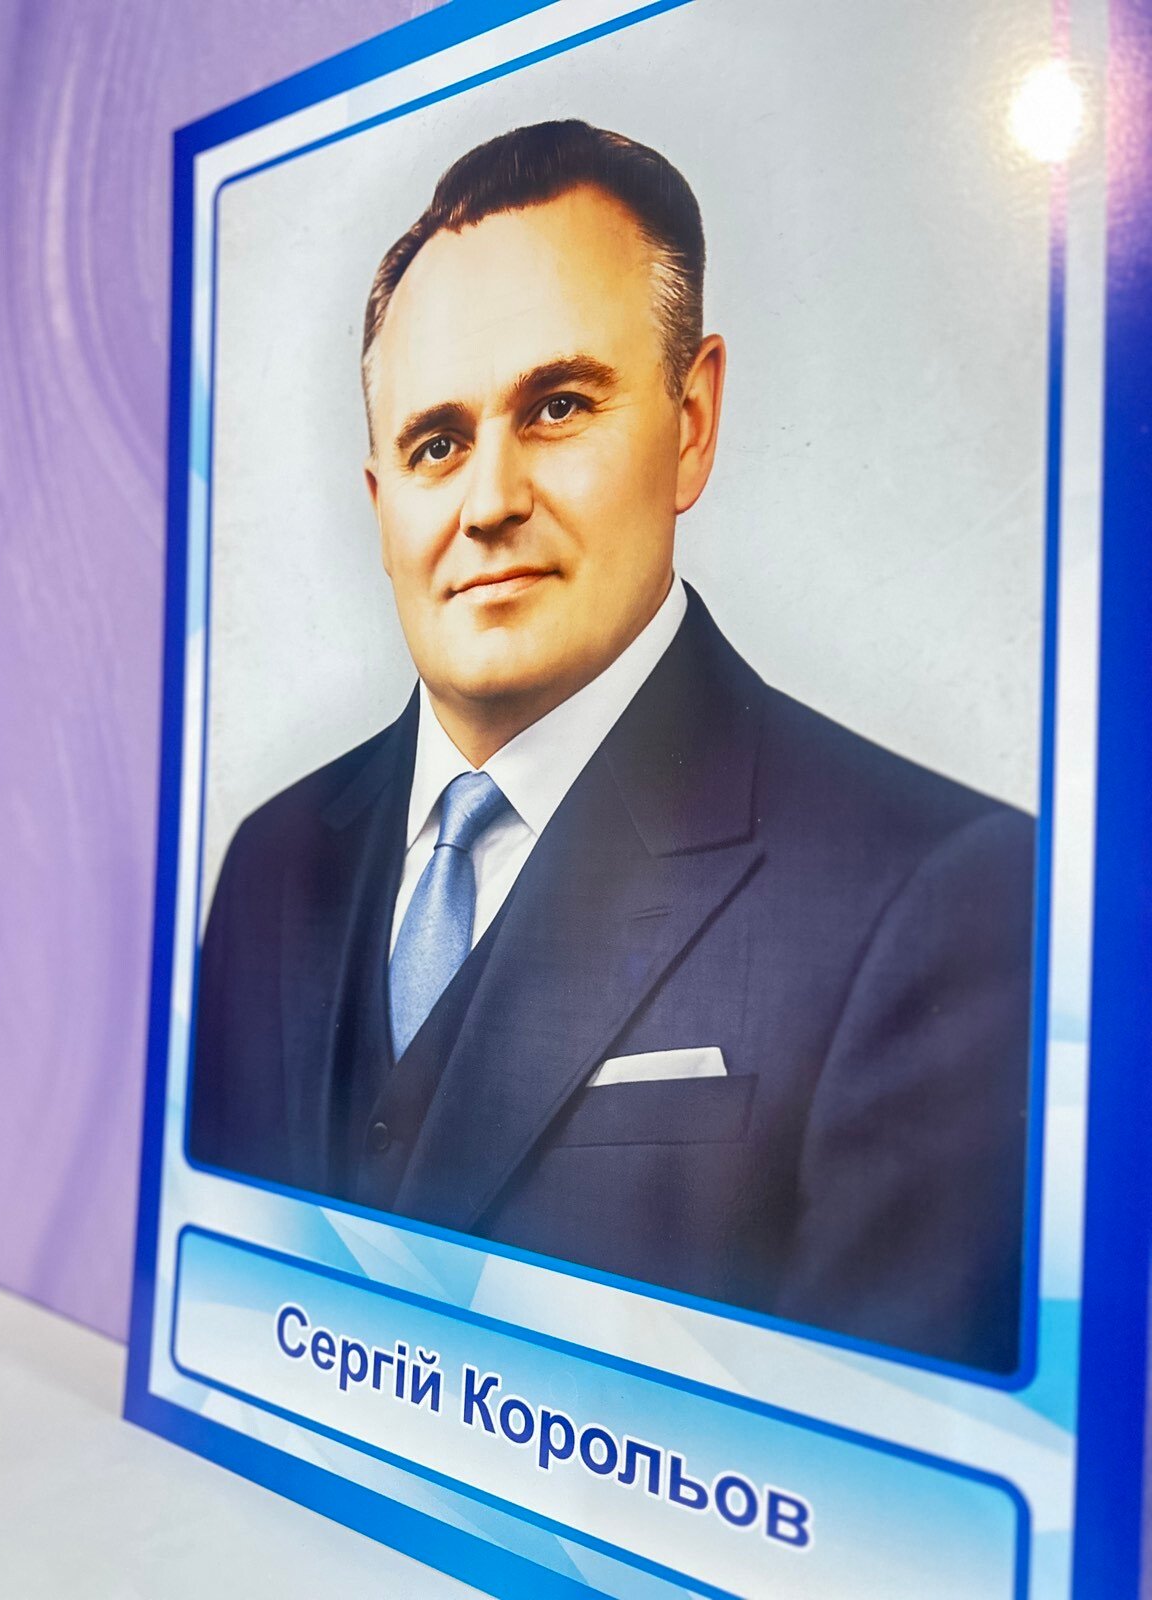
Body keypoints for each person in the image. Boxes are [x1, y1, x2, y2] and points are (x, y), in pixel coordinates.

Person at [190, 120, 1033, 1374]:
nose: (488, 503)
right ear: (382, 504)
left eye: (559, 406)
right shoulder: (269, 863)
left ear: (692, 422)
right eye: (436, 443)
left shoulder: (941, 899)